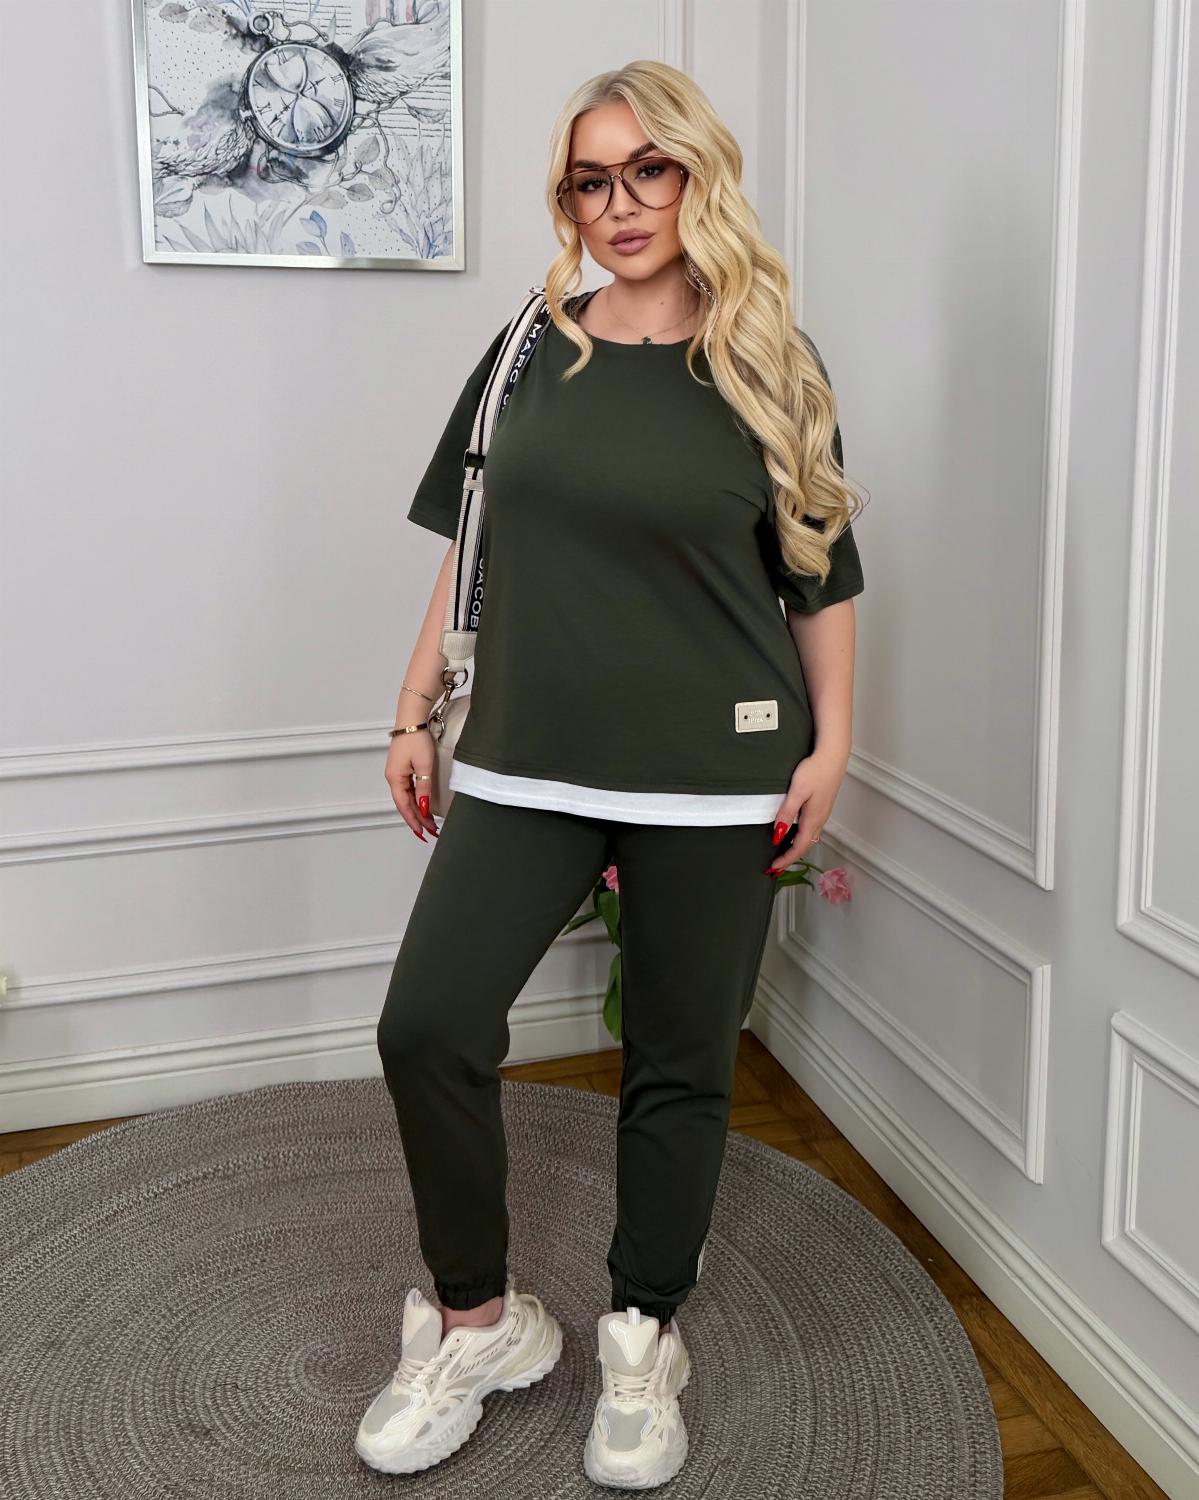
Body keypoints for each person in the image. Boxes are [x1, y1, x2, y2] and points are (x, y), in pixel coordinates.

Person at [357, 59, 866, 1490]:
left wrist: (833, 741)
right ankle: (479, 1322)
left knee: (680, 1062)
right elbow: (473, 546)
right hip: (529, 753)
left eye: (650, 170)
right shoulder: (530, 346)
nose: (622, 203)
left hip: (719, 768)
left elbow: (821, 572)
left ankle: (644, 1334)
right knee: (428, 1025)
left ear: (700, 177)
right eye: (592, 179)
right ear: (568, 199)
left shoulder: (771, 363)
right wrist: (413, 707)